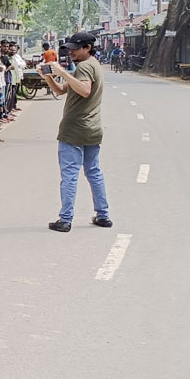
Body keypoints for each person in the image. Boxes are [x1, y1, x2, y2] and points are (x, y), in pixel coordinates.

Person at [46, 33, 110, 232]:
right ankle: (103, 215)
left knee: (70, 175)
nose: (71, 51)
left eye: (76, 48)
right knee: (94, 172)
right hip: (92, 127)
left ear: (88, 48)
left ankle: (65, 219)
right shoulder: (92, 65)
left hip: (75, 129)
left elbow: (84, 90)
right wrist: (49, 76)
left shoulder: (84, 66)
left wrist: (62, 72)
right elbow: (61, 90)